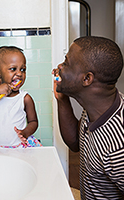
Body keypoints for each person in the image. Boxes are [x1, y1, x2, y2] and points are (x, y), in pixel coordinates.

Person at [53, 36, 124, 199]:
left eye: (66, 63)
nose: (60, 67)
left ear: (87, 79)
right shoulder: (96, 106)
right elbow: (75, 143)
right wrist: (62, 99)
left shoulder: (118, 146)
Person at [0, 45, 42, 148]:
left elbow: (33, 122)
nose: (20, 74)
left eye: (23, 69)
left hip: (19, 147)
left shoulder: (25, 98)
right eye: (13, 69)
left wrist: (25, 132)